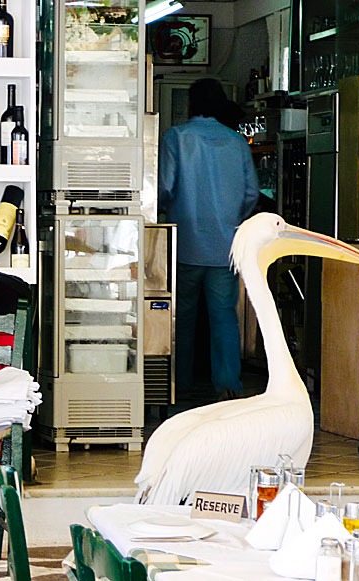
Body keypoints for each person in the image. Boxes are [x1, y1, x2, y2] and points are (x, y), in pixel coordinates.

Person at [158, 78, 259, 402]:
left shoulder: (177, 137)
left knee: (182, 317)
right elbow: (251, 193)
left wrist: (165, 212)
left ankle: (180, 383)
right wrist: (232, 221)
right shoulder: (237, 142)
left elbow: (165, 187)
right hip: (225, 245)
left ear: (191, 105)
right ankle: (228, 382)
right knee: (224, 316)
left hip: (185, 242)